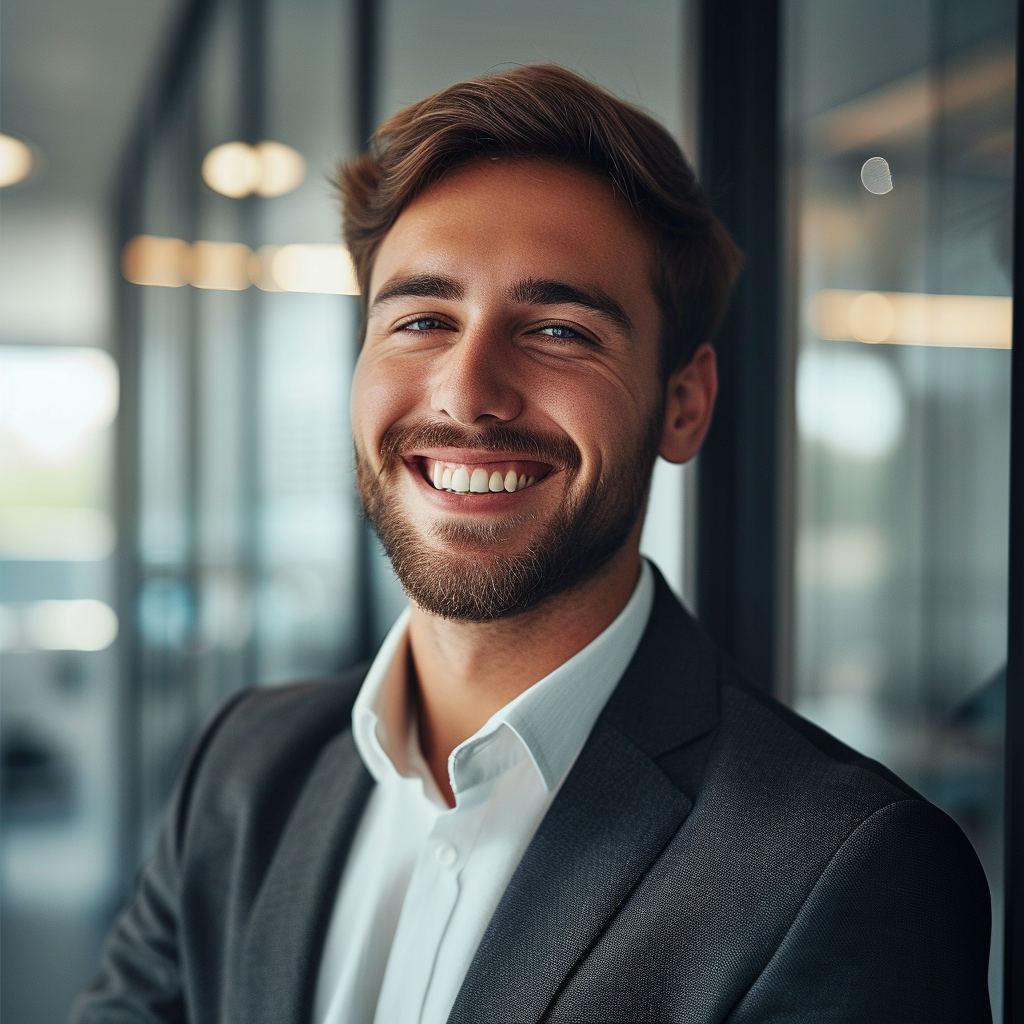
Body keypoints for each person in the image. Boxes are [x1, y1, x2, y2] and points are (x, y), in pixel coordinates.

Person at [74, 64, 992, 1024]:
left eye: (558, 330)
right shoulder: (241, 766)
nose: (467, 392)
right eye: (422, 320)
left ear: (684, 404)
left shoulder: (840, 865)